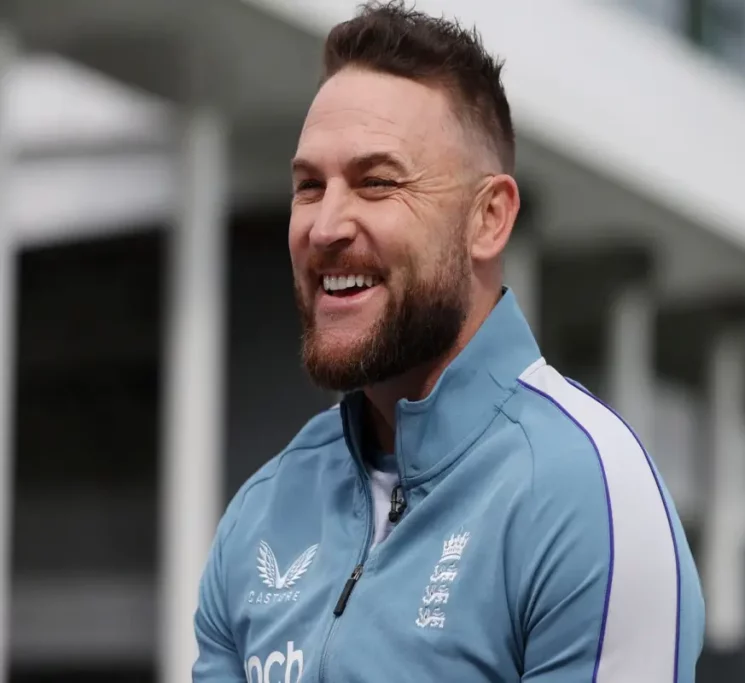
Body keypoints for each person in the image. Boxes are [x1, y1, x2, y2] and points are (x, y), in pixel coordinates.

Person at [192, 2, 704, 681]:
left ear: (488, 219)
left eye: (377, 182)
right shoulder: (261, 510)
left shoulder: (587, 495)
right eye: (310, 186)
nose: (325, 226)